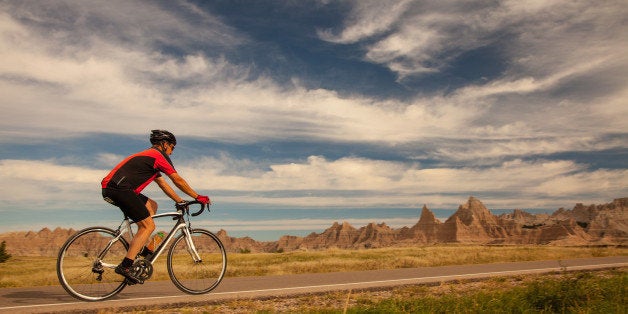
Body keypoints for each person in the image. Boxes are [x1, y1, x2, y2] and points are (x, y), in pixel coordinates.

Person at [101, 130, 210, 284]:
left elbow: (163, 183)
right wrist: (197, 197)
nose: (172, 152)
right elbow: (177, 179)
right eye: (172, 147)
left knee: (152, 206)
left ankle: (141, 253)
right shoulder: (158, 156)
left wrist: (180, 201)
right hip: (119, 189)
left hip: (114, 188)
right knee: (148, 226)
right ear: (164, 144)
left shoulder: (150, 158)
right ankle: (125, 266)